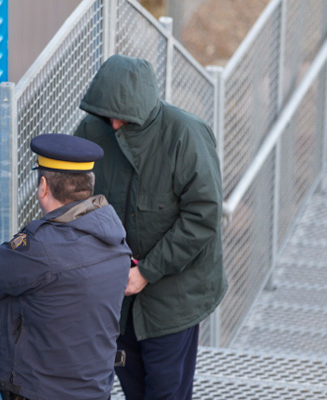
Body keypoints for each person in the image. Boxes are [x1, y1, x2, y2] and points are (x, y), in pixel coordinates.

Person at [74, 55, 228, 400]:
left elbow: (203, 215)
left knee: (165, 391)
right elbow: (73, 201)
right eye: (105, 114)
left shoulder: (186, 134)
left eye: (122, 117)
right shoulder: (90, 131)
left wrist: (147, 271)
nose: (113, 125)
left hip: (175, 297)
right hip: (116, 296)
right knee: (134, 387)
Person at [0, 133, 132, 400]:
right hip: (92, 389)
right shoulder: (112, 236)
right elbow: (57, 297)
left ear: (43, 186)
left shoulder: (44, 246)